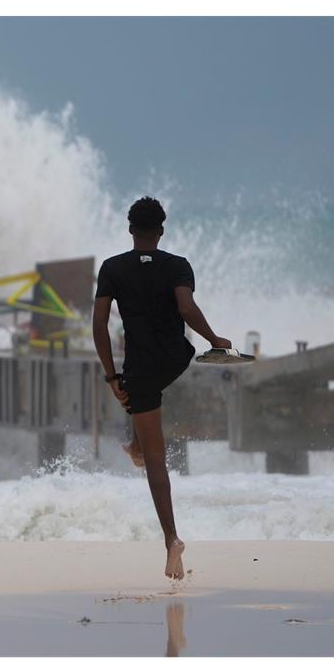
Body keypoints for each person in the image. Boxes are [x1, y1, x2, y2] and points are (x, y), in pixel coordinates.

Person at [91, 197, 231, 580]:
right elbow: (185, 309)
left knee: (155, 456)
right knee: (143, 410)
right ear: (161, 231)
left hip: (139, 369)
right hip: (176, 358)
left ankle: (172, 540)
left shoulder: (112, 268)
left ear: (130, 229)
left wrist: (111, 376)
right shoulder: (178, 265)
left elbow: (99, 325)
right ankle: (135, 444)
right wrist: (215, 339)